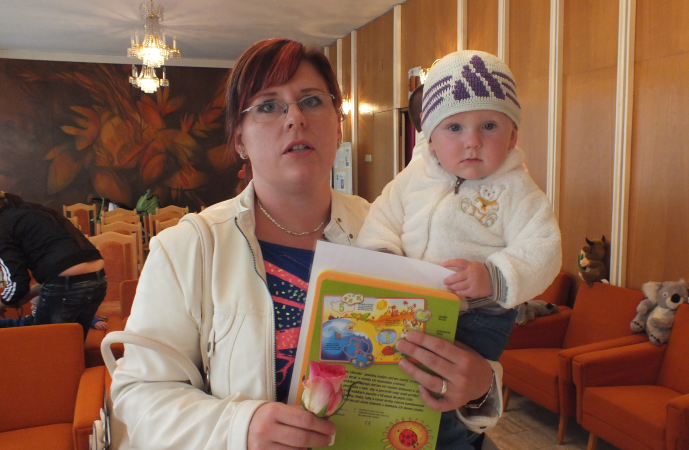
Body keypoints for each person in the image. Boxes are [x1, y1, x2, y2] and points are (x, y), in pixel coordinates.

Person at [111, 38, 497, 450]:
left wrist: (481, 387)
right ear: (239, 139)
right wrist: (240, 427)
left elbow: (456, 352)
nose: (295, 117)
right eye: (268, 106)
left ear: (338, 125)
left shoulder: (398, 231)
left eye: (311, 101)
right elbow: (139, 395)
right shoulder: (188, 249)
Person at [357, 50, 562, 368]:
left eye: (489, 125)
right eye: (454, 128)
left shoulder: (517, 190)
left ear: (512, 137)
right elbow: (383, 216)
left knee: (446, 387)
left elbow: (543, 249)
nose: (473, 141)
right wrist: (382, 255)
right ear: (430, 140)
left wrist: (493, 277)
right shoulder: (414, 177)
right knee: (397, 375)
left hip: (477, 318)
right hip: (410, 305)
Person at [0, 191, 107, 338]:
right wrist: (26, 295)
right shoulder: (30, 212)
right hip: (98, 279)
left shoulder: (3, 224)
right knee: (73, 344)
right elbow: (63, 268)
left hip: (67, 284)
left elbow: (17, 283)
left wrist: (3, 303)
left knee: (48, 346)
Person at [0, 295, 108, 330]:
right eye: (31, 305)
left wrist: (95, 321)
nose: (32, 308)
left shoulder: (62, 315)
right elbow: (14, 323)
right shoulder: (32, 319)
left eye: (35, 306)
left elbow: (81, 316)